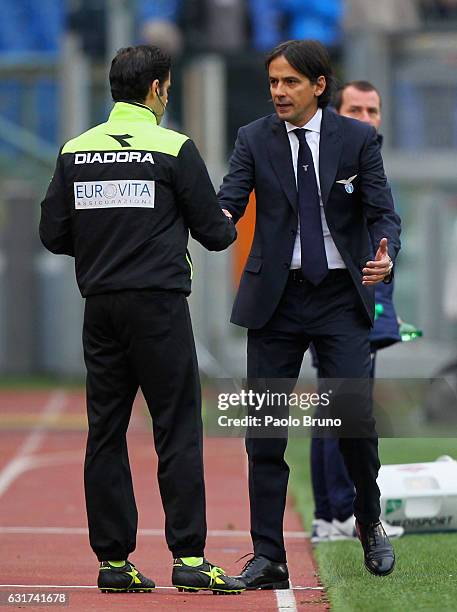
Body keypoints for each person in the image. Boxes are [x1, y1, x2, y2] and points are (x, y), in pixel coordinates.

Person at [39, 45, 245, 596]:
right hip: (158, 306)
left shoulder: (74, 150)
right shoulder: (173, 146)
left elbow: (52, 235)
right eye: (168, 87)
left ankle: (113, 563)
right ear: (157, 89)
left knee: (105, 432)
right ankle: (191, 558)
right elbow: (217, 234)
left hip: (101, 308)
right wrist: (224, 211)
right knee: (176, 427)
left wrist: (106, 239)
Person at [218, 40, 401, 584]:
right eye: (273, 82)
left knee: (354, 419)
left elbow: (384, 213)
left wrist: (386, 254)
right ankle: (269, 556)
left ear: (319, 86)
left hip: (341, 297)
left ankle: (369, 522)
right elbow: (231, 197)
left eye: (290, 82)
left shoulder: (357, 139)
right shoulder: (253, 138)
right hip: (275, 300)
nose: (278, 92)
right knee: (265, 430)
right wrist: (217, 219)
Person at [310, 81, 404, 543]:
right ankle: (337, 513)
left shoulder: (372, 160)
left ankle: (333, 513)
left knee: (344, 404)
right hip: (338, 301)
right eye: (355, 108)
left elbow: (384, 235)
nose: (365, 117)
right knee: (342, 405)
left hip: (368, 298)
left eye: (372, 109)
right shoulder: (334, 161)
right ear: (336, 112)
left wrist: (387, 308)